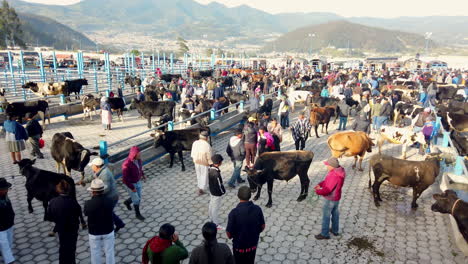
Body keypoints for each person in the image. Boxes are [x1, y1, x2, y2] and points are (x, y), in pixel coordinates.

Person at [226, 186, 265, 264]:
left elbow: (229, 234)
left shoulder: (234, 213)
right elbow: (262, 226)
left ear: (238, 196)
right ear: (250, 196)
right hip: (252, 246)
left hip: (239, 248)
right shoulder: (257, 209)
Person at [48, 180, 82, 264]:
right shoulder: (73, 202)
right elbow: (78, 213)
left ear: (58, 190)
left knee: (63, 247)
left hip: (61, 228)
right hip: (72, 229)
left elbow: (50, 217)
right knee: (71, 249)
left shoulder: (52, 202)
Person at [88, 158, 125, 232]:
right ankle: (120, 224)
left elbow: (106, 189)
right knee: (109, 212)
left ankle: (114, 227)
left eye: (92, 165)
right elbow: (92, 177)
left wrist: (95, 194)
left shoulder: (105, 174)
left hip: (111, 197)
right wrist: (83, 181)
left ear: (96, 166)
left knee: (107, 213)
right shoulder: (99, 171)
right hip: (109, 196)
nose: (91, 167)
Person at [84, 179, 115, 264]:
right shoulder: (110, 201)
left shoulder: (88, 203)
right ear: (103, 190)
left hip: (94, 232)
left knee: (95, 253)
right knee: (109, 252)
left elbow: (86, 213)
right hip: (108, 230)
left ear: (92, 191)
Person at [314, 157, 346, 240]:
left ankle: (324, 234)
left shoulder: (333, 175)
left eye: (327, 165)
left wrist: (318, 191)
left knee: (326, 216)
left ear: (332, 166)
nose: (326, 166)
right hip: (336, 198)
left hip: (330, 199)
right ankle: (335, 230)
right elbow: (327, 182)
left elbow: (327, 190)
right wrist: (320, 184)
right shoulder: (339, 171)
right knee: (335, 214)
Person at [122, 146, 146, 221]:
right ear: (134, 154)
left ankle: (127, 202)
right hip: (131, 184)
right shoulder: (126, 164)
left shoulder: (139, 160)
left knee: (138, 197)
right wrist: (132, 188)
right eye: (138, 153)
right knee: (136, 199)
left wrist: (143, 175)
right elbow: (125, 179)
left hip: (138, 181)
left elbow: (140, 168)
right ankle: (137, 214)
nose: (140, 154)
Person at [191, 131, 213, 195]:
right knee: (204, 176)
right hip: (204, 163)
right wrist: (211, 164)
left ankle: (199, 186)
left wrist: (194, 160)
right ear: (206, 138)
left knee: (199, 175)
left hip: (196, 162)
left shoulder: (195, 143)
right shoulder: (207, 145)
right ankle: (201, 189)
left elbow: (192, 153)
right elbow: (209, 156)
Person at [208, 154, 226, 229]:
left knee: (211, 204)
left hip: (212, 190)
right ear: (219, 163)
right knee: (215, 208)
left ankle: (211, 218)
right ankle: (215, 224)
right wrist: (222, 192)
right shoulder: (216, 173)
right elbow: (219, 184)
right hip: (217, 193)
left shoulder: (210, 168)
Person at [0, 178, 15, 264]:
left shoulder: (5, 196)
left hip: (9, 224)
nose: (7, 190)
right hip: (0, 227)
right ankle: (9, 261)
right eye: (4, 189)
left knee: (9, 242)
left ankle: (5, 255)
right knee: (4, 244)